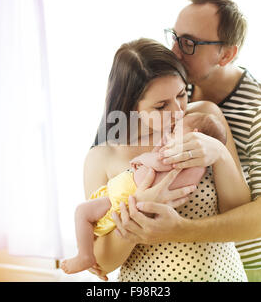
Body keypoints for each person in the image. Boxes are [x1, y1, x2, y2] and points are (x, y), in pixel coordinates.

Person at [110, 0, 261, 282]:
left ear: (226, 55)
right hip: (155, 271)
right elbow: (111, 167)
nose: (174, 51)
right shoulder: (163, 90)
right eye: (174, 37)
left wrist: (180, 230)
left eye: (189, 43)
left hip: (244, 267)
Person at [85, 37, 252, 282]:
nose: (178, 111)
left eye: (182, 94)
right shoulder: (103, 157)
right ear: (132, 106)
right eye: (161, 105)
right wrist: (139, 210)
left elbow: (239, 214)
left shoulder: (204, 119)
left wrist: (220, 154)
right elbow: (102, 262)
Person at [61, 112, 235, 275]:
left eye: (176, 131)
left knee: (82, 212)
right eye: (160, 105)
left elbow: (160, 162)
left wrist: (141, 159)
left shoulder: (181, 154)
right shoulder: (200, 165)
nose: (171, 131)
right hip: (126, 201)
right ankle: (86, 253)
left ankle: (84, 255)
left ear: (195, 135)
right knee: (91, 221)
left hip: (123, 196)